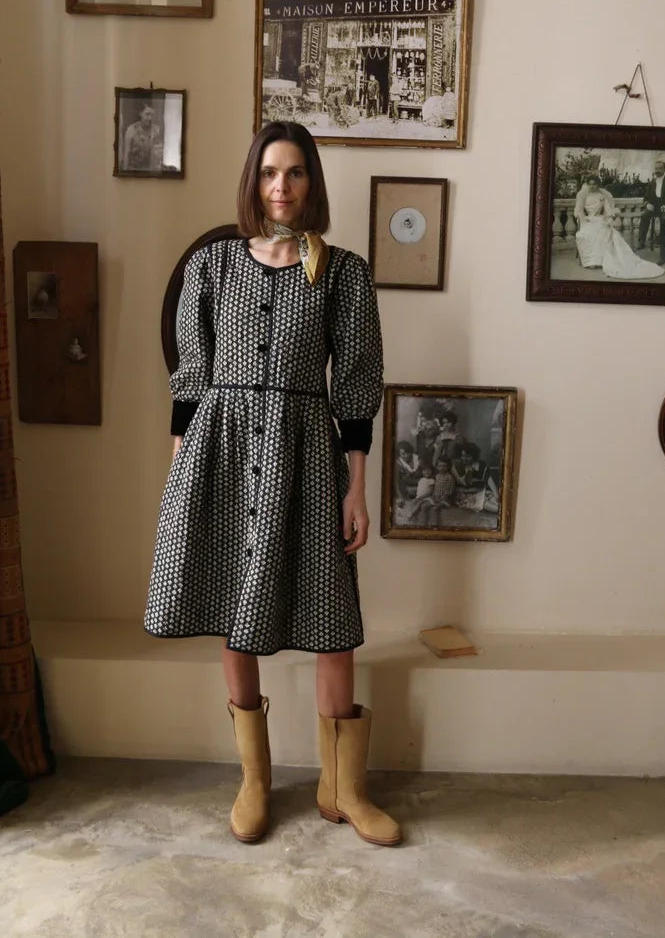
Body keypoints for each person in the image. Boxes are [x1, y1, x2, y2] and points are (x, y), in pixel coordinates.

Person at [146, 121, 402, 847]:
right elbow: (190, 378)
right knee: (235, 601)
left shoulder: (344, 273)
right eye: (268, 173)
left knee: (331, 618)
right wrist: (179, 475)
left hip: (306, 453)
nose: (280, 186)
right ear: (252, 181)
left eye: (293, 173)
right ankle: (255, 781)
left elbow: (356, 386)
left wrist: (356, 488)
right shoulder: (213, 267)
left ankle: (341, 787)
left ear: (312, 183)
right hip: (220, 451)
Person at [574, 174, 665, 280]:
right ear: (587, 185)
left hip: (600, 219)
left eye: (594, 184)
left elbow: (608, 210)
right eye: (590, 184)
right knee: (586, 233)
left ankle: (600, 260)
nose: (592, 186)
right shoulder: (583, 196)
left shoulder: (602, 196)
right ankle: (591, 261)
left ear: (598, 185)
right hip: (588, 220)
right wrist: (584, 218)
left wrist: (608, 219)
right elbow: (578, 211)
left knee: (603, 231)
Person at [639, 160, 665, 264]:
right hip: (654, 208)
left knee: (664, 223)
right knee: (644, 216)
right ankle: (641, 242)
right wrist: (648, 204)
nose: (658, 171)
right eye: (656, 168)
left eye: (660, 168)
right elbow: (646, 198)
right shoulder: (652, 182)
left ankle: (662, 257)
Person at [122, 103, 162, 172]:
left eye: (152, 115)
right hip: (134, 171)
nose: (150, 118)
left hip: (151, 171)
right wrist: (124, 174)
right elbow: (126, 154)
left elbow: (159, 155)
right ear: (140, 113)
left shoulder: (157, 130)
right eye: (147, 114)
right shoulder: (132, 130)